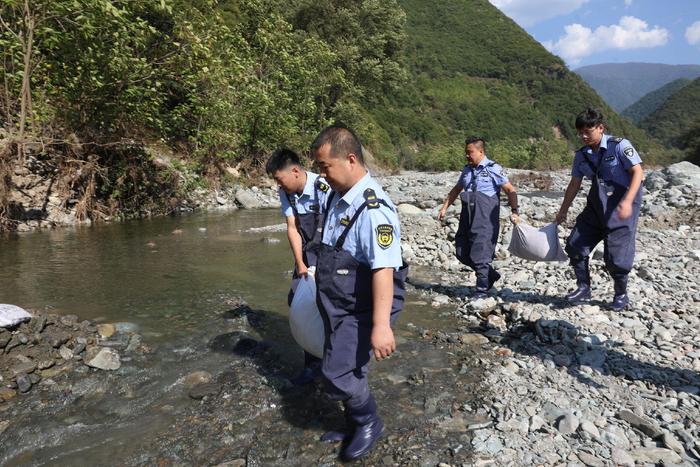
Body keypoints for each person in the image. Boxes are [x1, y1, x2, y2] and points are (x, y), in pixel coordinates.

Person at [309, 125, 408, 461]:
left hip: (364, 305)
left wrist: (381, 326)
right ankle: (353, 419)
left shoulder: (374, 209)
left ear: (350, 159)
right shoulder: (339, 195)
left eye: (325, 167)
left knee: (335, 372)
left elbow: (383, 271)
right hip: (340, 299)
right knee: (346, 364)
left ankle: (369, 421)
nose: (321, 174)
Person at [556, 108, 644, 311]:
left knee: (616, 256)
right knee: (575, 243)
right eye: (580, 132)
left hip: (622, 205)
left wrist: (628, 202)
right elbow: (574, 184)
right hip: (596, 205)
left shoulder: (620, 146)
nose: (583, 136)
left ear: (601, 128)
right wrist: (563, 210)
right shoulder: (582, 155)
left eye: (588, 131)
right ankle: (583, 287)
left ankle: (621, 295)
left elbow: (638, 172)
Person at [266, 148, 331, 385]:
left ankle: (333, 362)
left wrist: (323, 266)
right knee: (298, 303)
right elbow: (292, 228)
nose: (279, 185)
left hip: (327, 255)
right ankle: (311, 365)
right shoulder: (287, 192)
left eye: (279, 179)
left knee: (327, 307)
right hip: (305, 256)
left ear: (295, 171)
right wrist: (301, 264)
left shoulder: (323, 187)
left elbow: (334, 228)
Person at [438, 136, 519, 299]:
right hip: (467, 217)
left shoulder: (493, 169)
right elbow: (456, 189)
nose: (467, 155)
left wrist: (515, 211)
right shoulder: (467, 170)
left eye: (470, 152)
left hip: (485, 218)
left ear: (481, 151)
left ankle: (481, 291)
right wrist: (444, 207)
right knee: (461, 252)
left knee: (481, 256)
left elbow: (510, 190)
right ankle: (490, 275)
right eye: (466, 153)